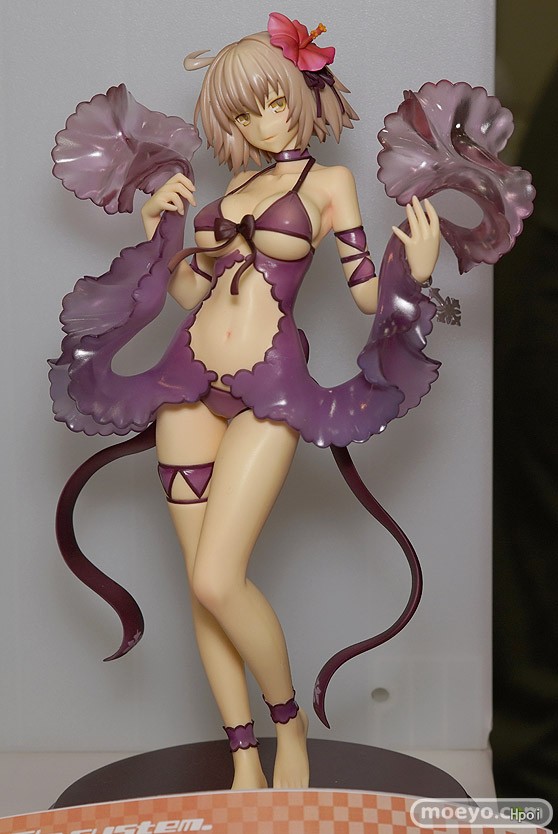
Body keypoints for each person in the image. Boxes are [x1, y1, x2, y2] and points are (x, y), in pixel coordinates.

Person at [51, 14, 532, 792]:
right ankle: (243, 756)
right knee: (199, 587)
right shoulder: (231, 190)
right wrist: (162, 231)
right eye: (243, 113)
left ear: (303, 94)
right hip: (186, 384)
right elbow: (188, 293)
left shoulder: (328, 186)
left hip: (270, 388)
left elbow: (365, 291)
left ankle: (289, 726)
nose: (262, 121)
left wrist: (415, 270)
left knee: (219, 577)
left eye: (272, 102)